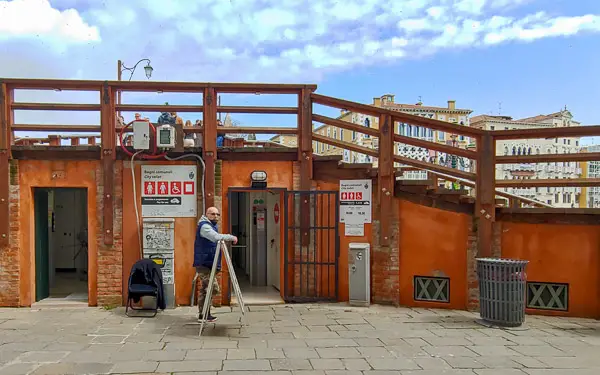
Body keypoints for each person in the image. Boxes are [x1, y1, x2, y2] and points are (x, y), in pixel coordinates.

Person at [193, 207, 237, 322]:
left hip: (208, 262)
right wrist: (231, 237)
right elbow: (215, 237)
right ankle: (204, 314)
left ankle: (204, 314)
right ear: (206, 214)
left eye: (218, 214)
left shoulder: (212, 226)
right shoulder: (205, 226)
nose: (216, 216)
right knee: (213, 288)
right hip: (204, 263)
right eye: (212, 214)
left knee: (205, 289)